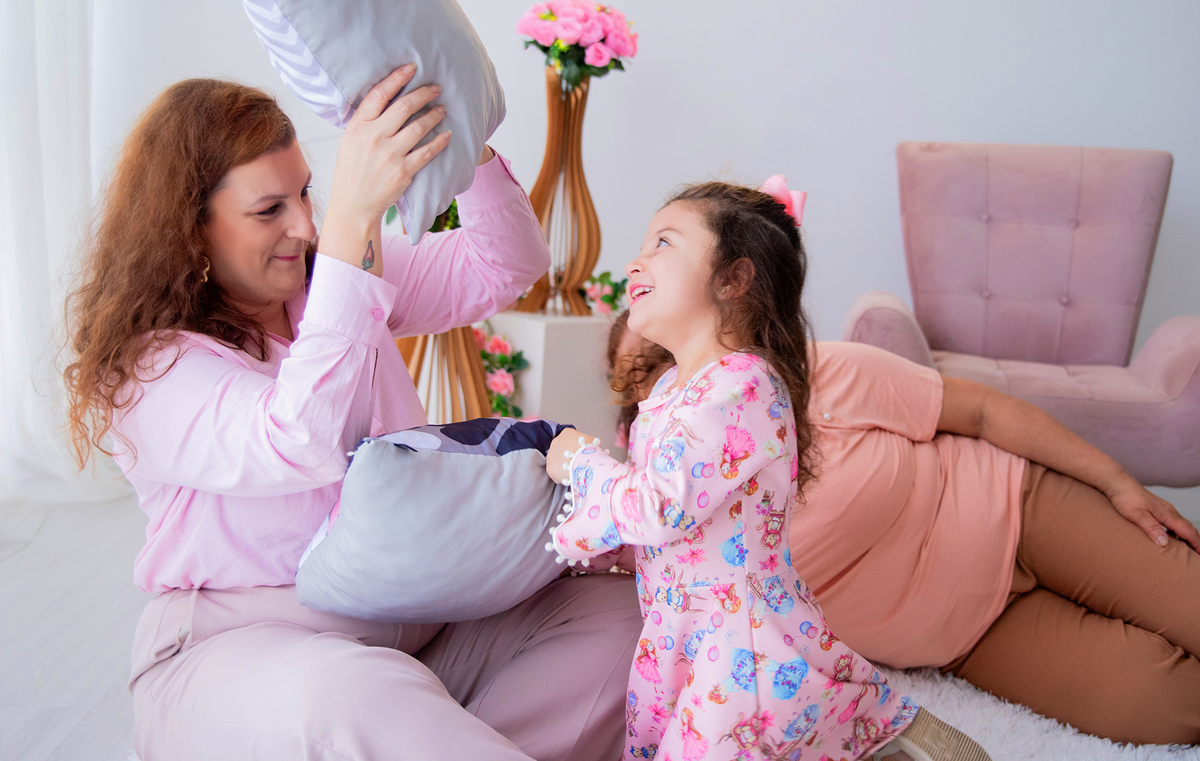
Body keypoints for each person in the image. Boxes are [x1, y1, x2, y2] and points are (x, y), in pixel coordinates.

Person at [63, 68, 641, 761]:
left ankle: (429, 741)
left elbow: (505, 266)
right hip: (246, 651)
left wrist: (470, 151)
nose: (305, 226)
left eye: (307, 193)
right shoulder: (149, 368)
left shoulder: (323, 285)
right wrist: (351, 229)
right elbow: (296, 437)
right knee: (356, 698)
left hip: (420, 628)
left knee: (626, 617)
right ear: (191, 231)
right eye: (268, 209)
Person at [545, 182, 991, 761]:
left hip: (739, 647)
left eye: (663, 242)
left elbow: (659, 507)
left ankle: (893, 733)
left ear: (732, 280)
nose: (637, 260)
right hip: (679, 635)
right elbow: (678, 531)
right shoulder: (671, 393)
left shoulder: (743, 384)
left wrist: (580, 460)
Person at [607, 323, 1200, 746]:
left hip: (1023, 509)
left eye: (667, 353)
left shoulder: (812, 375)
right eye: (638, 377)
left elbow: (984, 411)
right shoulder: (660, 525)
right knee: (1167, 706)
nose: (659, 376)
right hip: (973, 636)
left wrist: (1118, 481)